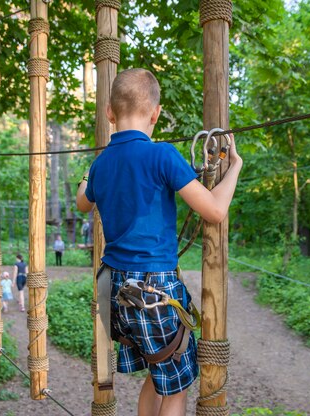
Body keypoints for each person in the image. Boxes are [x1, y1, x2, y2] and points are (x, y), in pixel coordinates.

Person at [76, 68, 242, 416]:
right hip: (154, 290)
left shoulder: (101, 163)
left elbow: (82, 202)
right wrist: (235, 166)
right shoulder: (163, 155)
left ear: (109, 113)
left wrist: (87, 176)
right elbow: (213, 210)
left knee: (158, 373)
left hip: (113, 291)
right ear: (155, 113)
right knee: (177, 387)